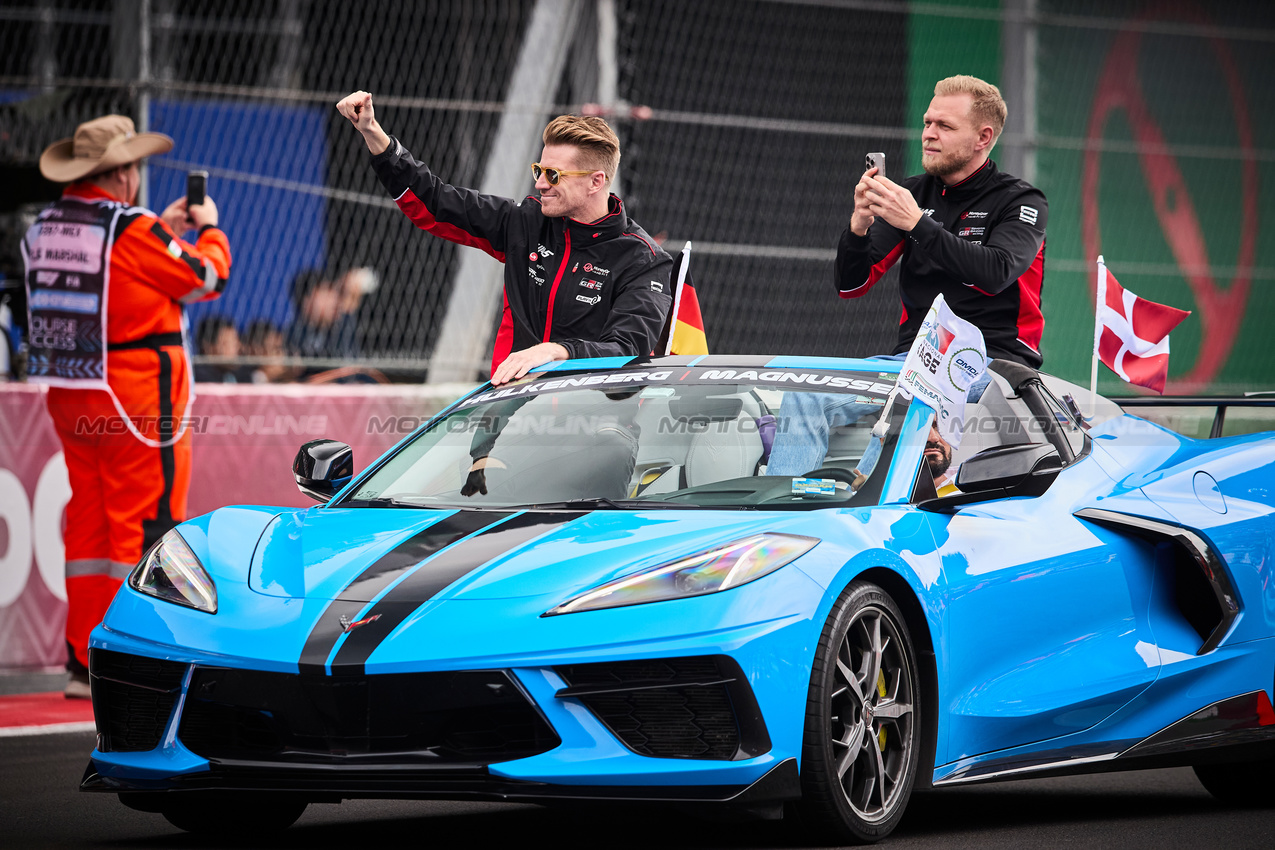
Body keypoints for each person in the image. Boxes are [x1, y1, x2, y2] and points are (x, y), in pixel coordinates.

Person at [21, 114, 231, 697]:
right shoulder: (131, 229)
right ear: (120, 174)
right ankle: (139, 660)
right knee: (150, 528)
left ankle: (81, 661)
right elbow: (205, 277)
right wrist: (207, 230)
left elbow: (120, 273)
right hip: (138, 405)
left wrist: (159, 229)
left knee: (87, 529)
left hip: (71, 398)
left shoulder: (47, 226)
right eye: (135, 166)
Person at [335, 91, 672, 385]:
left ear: (596, 182)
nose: (540, 184)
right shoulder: (526, 222)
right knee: (482, 461)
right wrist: (373, 134)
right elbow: (436, 202)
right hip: (512, 410)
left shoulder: (644, 260)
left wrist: (558, 352)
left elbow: (626, 352)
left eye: (553, 175)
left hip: (597, 425)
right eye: (538, 171)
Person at [836, 75, 1048, 369]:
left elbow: (996, 274)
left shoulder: (1022, 200)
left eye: (945, 126)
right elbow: (850, 286)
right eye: (927, 123)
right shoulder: (912, 193)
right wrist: (859, 226)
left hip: (994, 361)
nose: (928, 134)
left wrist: (916, 222)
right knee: (806, 397)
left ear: (983, 138)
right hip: (912, 359)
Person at [193, 315, 251, 383]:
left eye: (237, 343)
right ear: (209, 348)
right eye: (229, 343)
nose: (239, 348)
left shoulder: (235, 374)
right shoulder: (198, 377)